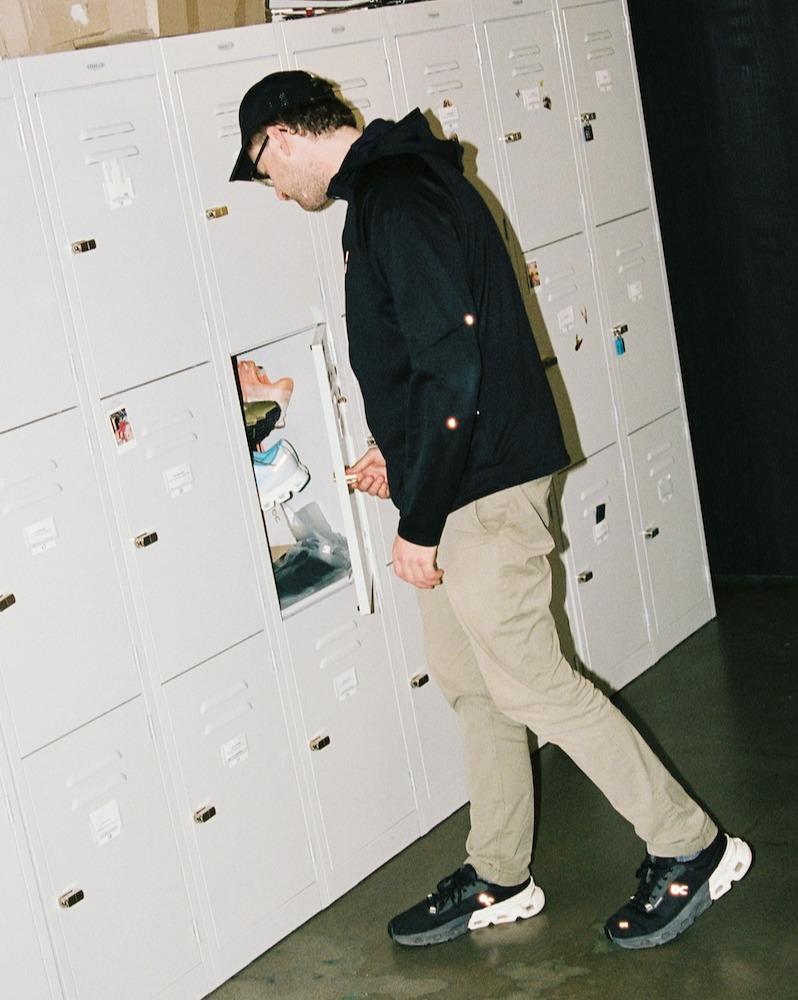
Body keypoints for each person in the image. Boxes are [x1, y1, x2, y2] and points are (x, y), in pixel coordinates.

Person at [229, 70, 752, 950]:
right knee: (476, 687)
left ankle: (691, 847)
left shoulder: (396, 198)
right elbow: (436, 358)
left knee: (534, 683)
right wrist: (401, 452)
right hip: (453, 478)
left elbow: (454, 369)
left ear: (280, 136)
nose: (275, 190)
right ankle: (501, 872)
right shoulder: (385, 195)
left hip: (480, 492)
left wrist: (420, 521)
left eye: (263, 170)